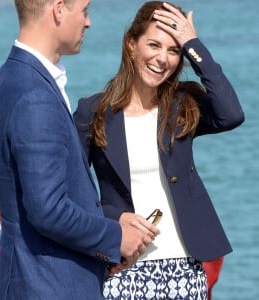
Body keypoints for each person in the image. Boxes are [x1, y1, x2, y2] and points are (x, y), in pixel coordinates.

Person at [0, 0, 159, 299]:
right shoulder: (34, 94)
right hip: (47, 286)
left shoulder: (8, 78)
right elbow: (48, 209)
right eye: (85, 10)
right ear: (58, 8)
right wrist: (116, 238)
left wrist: (107, 222)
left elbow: (43, 197)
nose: (88, 22)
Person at [74, 1, 245, 299]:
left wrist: (193, 44)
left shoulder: (183, 106)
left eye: (173, 50)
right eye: (154, 44)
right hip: (123, 266)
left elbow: (231, 113)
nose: (162, 58)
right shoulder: (94, 111)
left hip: (184, 266)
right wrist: (112, 216)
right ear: (131, 44)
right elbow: (71, 186)